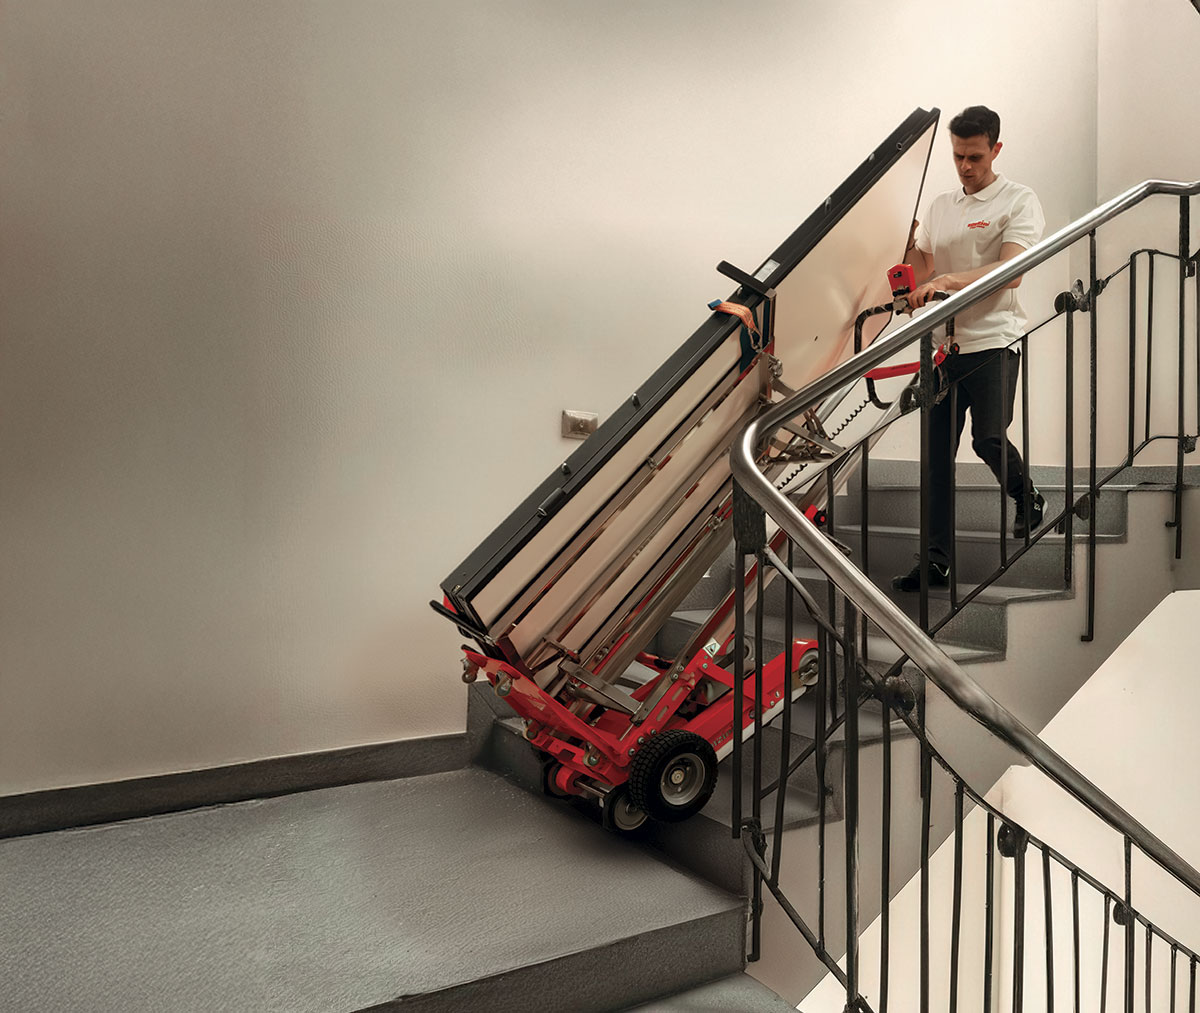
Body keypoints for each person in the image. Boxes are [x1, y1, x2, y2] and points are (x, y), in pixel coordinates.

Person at [892, 105, 1047, 592]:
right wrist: (898, 250)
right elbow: (920, 262)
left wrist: (946, 282)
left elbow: (1011, 272)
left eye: (975, 156)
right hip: (942, 349)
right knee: (936, 456)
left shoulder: (1018, 201)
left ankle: (1028, 496)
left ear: (995, 149)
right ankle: (936, 561)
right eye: (958, 156)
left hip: (994, 340)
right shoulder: (941, 206)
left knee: (987, 438)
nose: (965, 166)